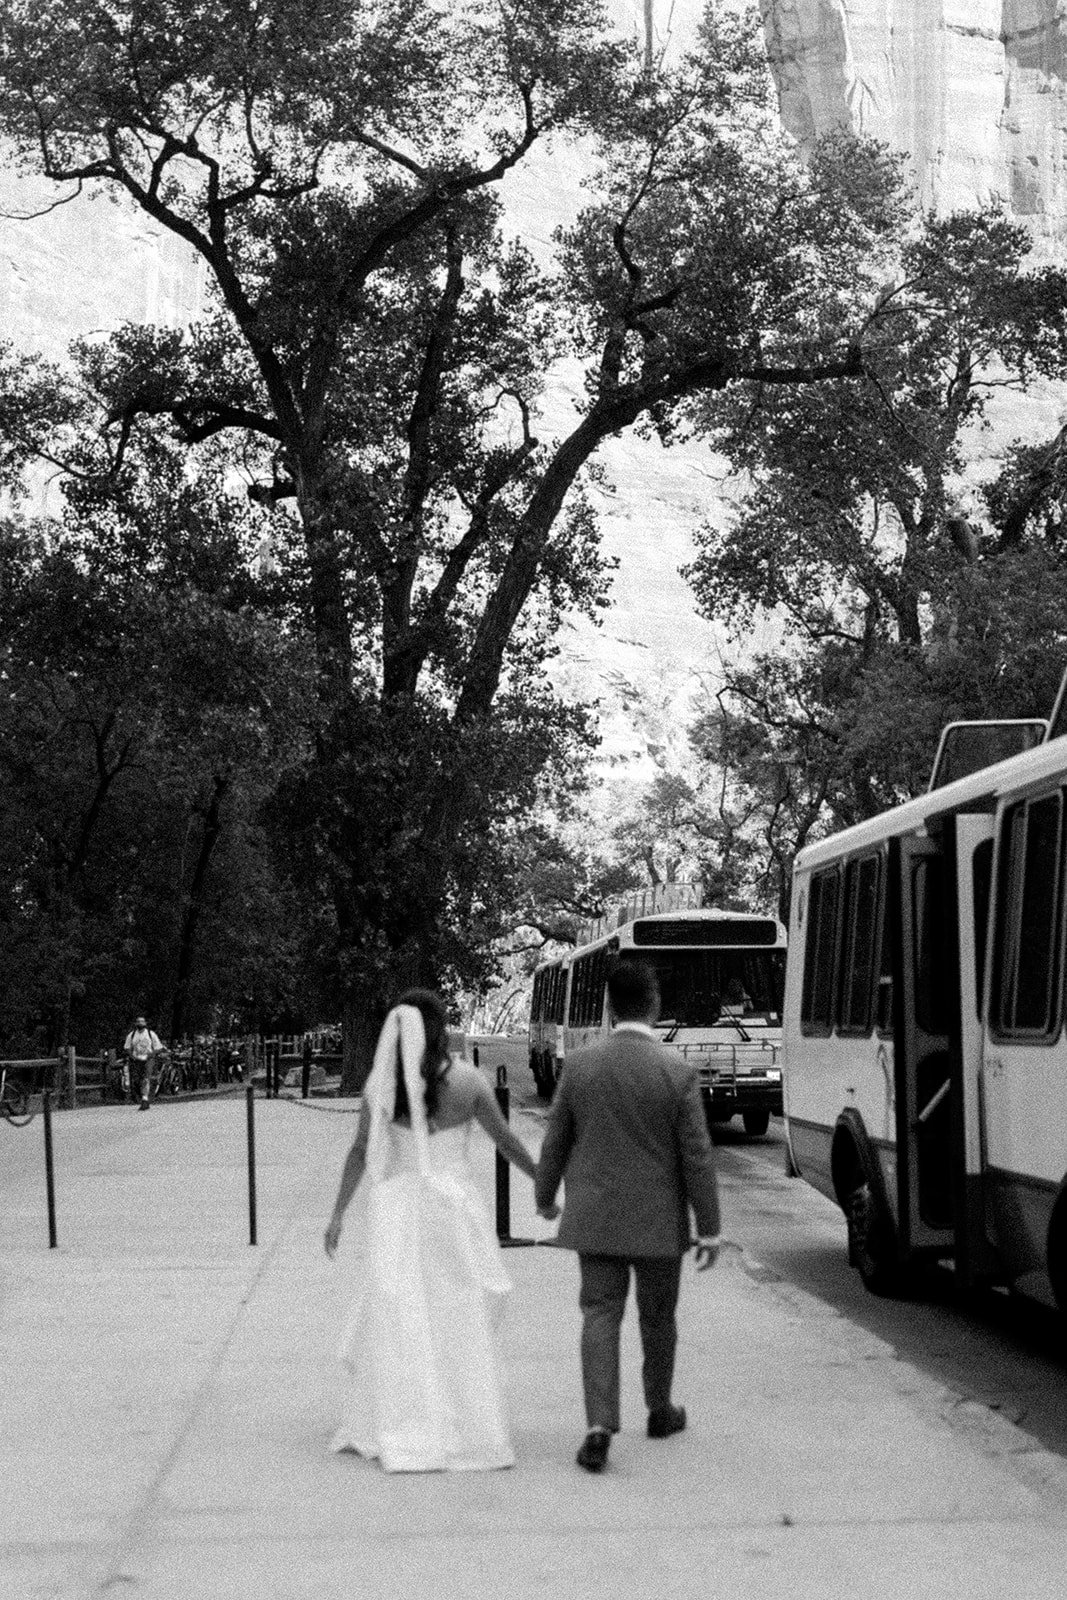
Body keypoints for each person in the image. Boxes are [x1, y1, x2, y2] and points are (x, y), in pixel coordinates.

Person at [324, 989, 546, 1472]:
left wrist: (338, 1214)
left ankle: (404, 1416)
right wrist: (544, 1187)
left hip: (399, 1211)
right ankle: (463, 1418)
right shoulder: (467, 1080)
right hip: (452, 1209)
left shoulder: (382, 1087)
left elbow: (361, 1152)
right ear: (441, 1028)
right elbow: (506, 1142)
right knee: (458, 1307)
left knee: (403, 1310)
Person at [534, 958, 721, 1474]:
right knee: (658, 1316)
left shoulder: (581, 1067)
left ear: (610, 1006)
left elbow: (556, 1141)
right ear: (654, 1003)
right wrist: (709, 1229)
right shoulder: (677, 1074)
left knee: (599, 1314)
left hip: (594, 1219)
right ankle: (659, 1410)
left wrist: (545, 1197)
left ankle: (598, 1426)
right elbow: (697, 1157)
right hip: (659, 1225)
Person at [123, 1016, 163, 1110]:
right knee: (136, 1079)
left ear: (145, 1023)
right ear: (135, 1024)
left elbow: (158, 1047)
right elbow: (127, 1047)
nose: (140, 1023)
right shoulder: (132, 1035)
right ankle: (140, 1096)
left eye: (142, 1021)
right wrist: (131, 1055)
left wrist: (151, 1054)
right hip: (136, 1059)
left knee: (145, 1078)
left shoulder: (150, 1034)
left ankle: (145, 1100)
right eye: (138, 1022)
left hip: (148, 1059)